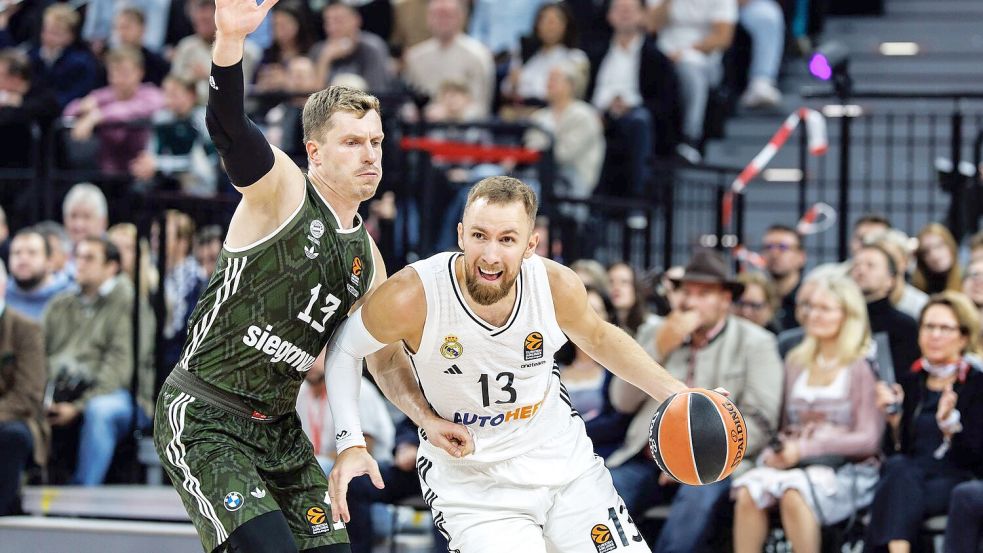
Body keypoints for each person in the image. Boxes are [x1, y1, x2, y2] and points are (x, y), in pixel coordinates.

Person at [151, 0, 468, 550]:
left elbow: (385, 358)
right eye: (352, 142)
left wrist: (426, 418)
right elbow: (228, 127)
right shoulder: (284, 190)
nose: (370, 155)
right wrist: (229, 44)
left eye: (375, 143)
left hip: (280, 432)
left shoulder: (367, 259)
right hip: (206, 416)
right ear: (314, 152)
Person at [328, 176, 689, 552]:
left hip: (562, 464)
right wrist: (360, 438)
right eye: (480, 236)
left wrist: (677, 393)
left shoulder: (555, 286)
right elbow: (348, 349)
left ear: (531, 244)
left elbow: (599, 338)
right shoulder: (413, 293)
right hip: (473, 483)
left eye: (507, 239)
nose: (490, 255)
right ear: (461, 234)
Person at [731, 276, 883, 553]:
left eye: (826, 309)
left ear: (848, 315)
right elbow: (784, 426)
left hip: (845, 469)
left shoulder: (860, 364)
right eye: (811, 307)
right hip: (796, 464)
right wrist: (779, 452)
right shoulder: (795, 361)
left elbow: (868, 439)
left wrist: (805, 449)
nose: (814, 315)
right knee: (748, 492)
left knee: (793, 493)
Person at [866, 291, 983, 552]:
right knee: (898, 469)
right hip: (909, 477)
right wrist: (894, 422)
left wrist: (950, 425)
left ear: (963, 337)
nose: (935, 335)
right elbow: (894, 452)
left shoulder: (977, 384)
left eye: (945, 328)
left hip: (953, 478)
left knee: (892, 493)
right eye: (929, 326)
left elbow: (975, 457)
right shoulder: (909, 382)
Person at [0, 259, 46, 515]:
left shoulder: (26, 329)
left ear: (2, 287)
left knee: (11, 437)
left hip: (15, 418)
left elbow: (27, 395)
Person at [761, 224, 806, 330]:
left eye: (783, 247)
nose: (774, 254)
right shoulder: (754, 301)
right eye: (769, 247)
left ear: (801, 257)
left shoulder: (810, 300)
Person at [913, 223, 962, 295]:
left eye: (938, 246)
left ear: (950, 246)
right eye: (926, 252)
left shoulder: (968, 280)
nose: (934, 255)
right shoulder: (918, 291)